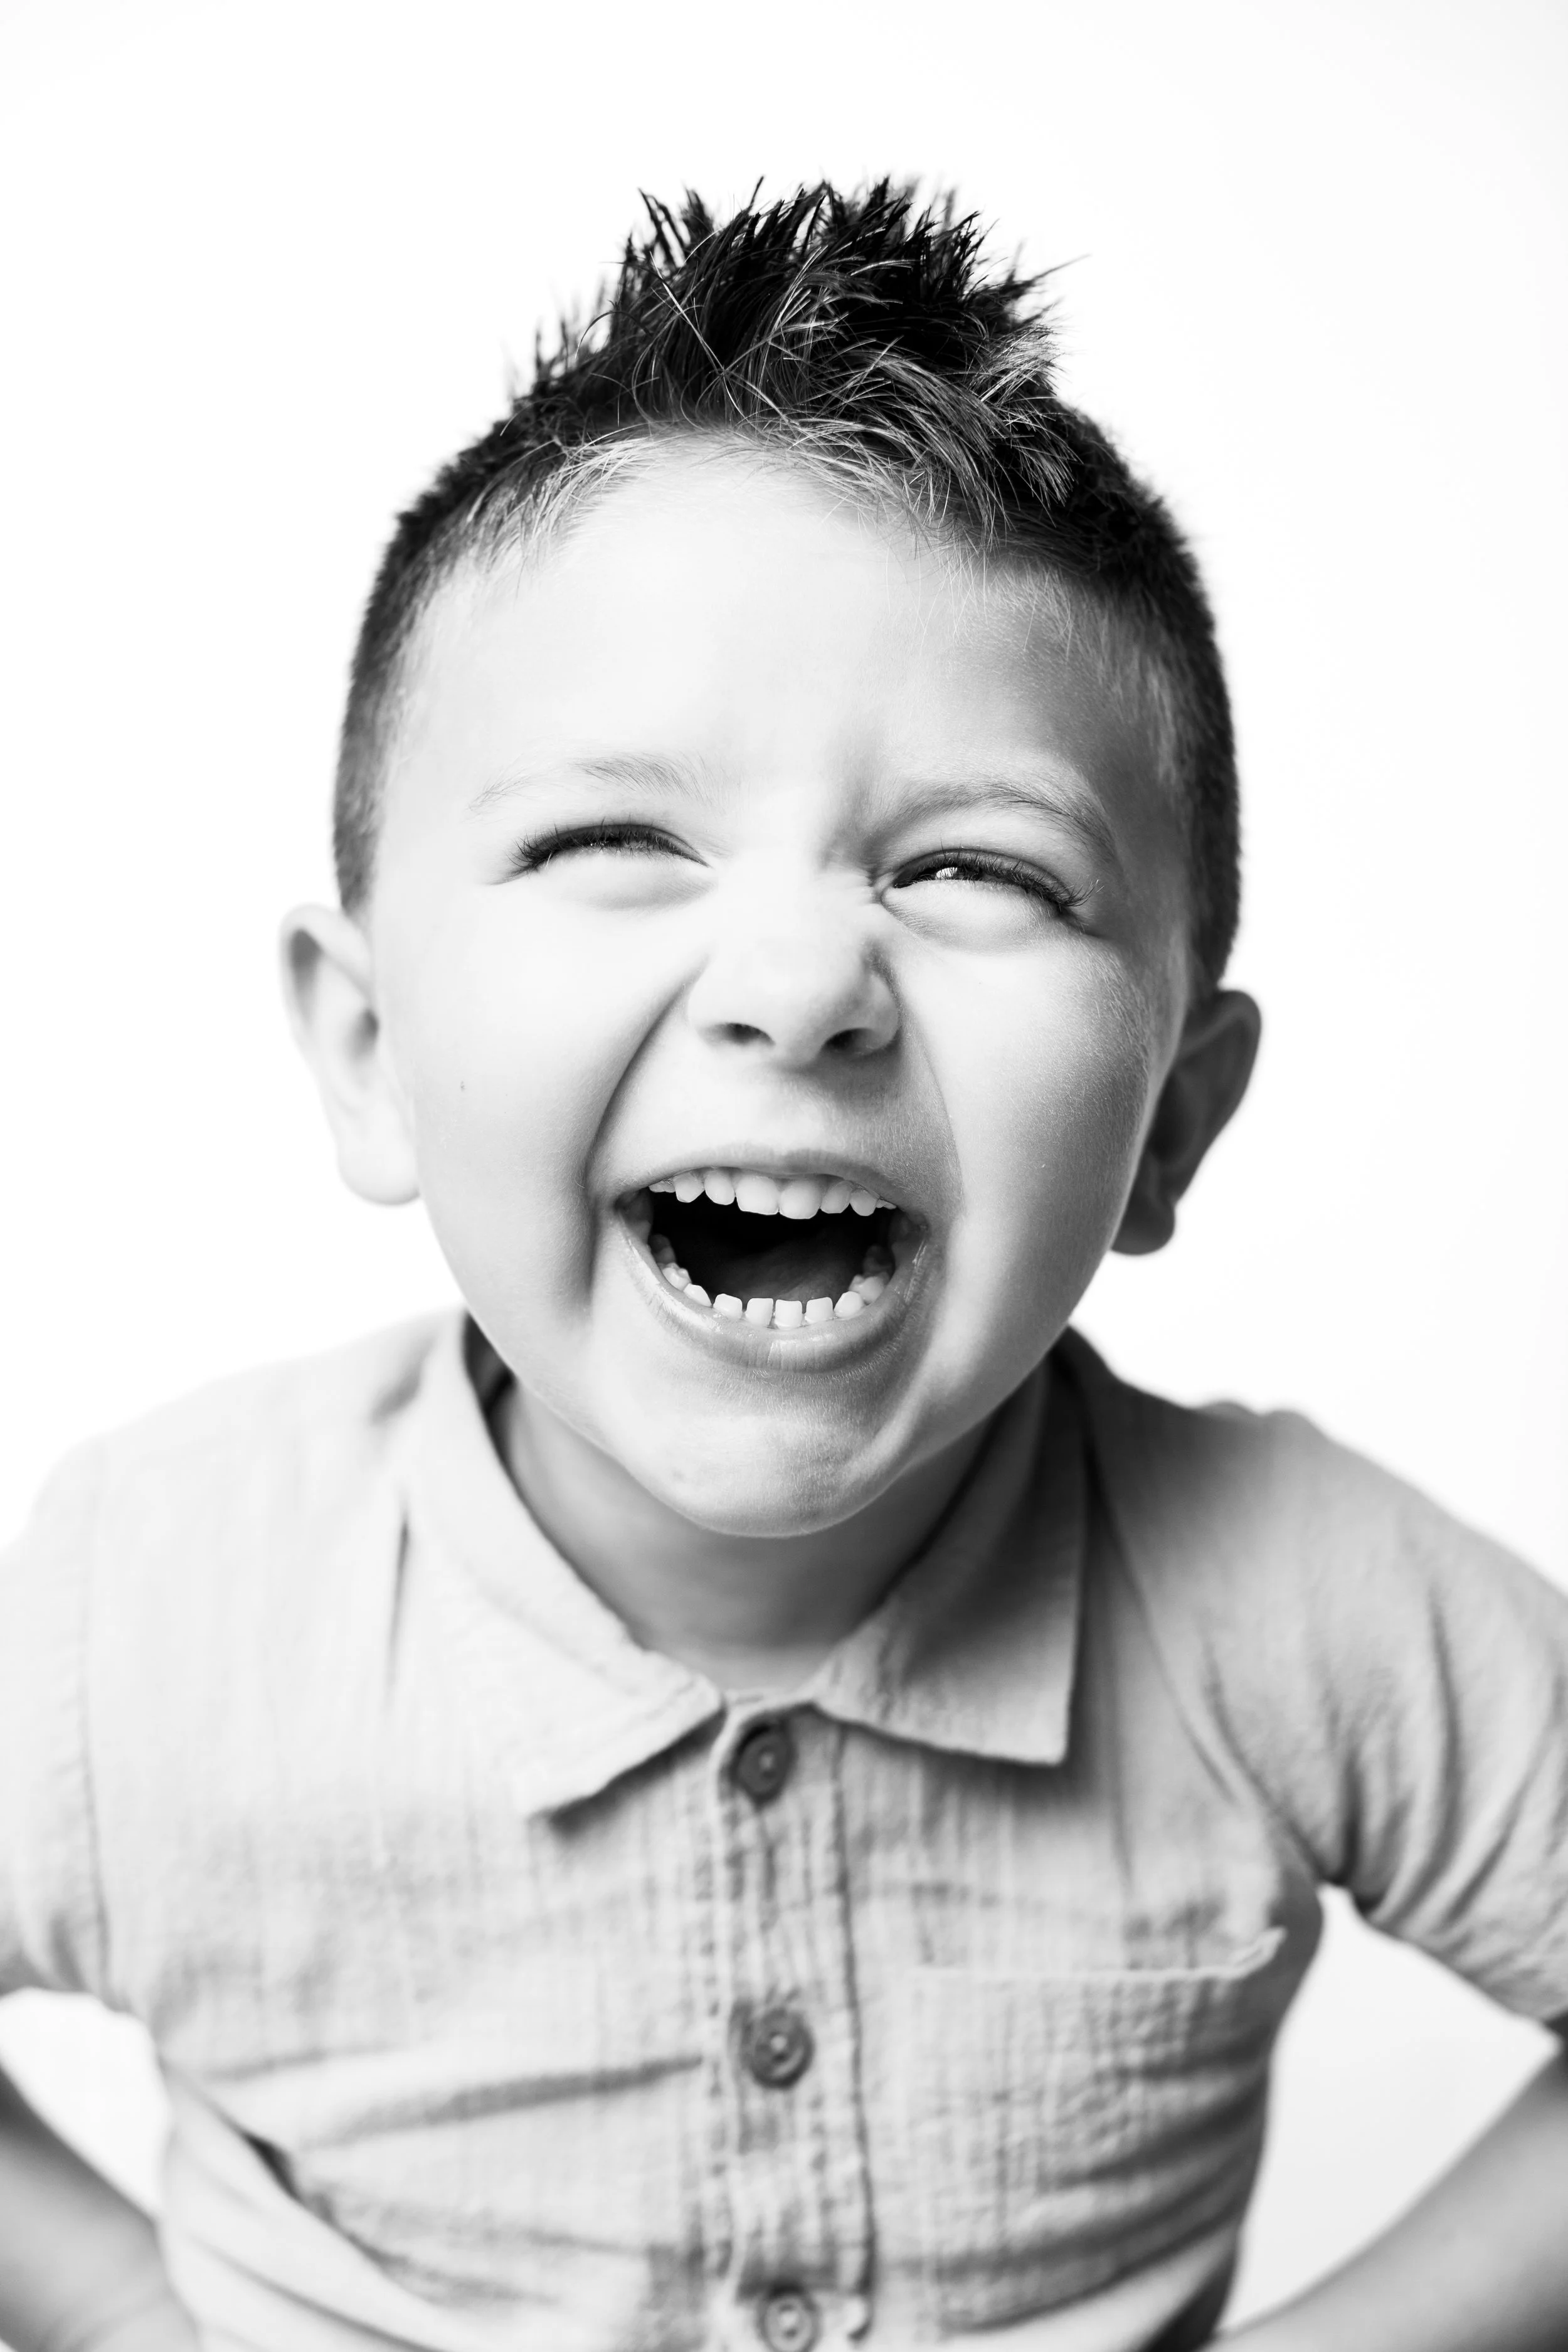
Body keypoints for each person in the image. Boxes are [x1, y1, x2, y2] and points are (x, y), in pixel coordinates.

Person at [1, 183, 1565, 2352]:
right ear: (370, 1050)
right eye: (615, 839)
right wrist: (116, 2311)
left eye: (975, 867)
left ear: (1170, 1124)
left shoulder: (1296, 1602)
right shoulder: (148, 1607)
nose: (802, 978)